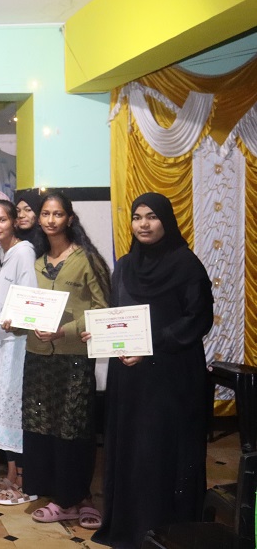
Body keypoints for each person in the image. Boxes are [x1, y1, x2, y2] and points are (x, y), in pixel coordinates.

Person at [91, 194, 214, 548]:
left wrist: (152, 345)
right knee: (133, 449)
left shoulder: (186, 265)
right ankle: (130, 528)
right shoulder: (125, 266)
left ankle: (166, 530)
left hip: (171, 376)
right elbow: (118, 314)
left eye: (152, 217)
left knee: (161, 450)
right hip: (130, 377)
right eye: (137, 217)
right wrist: (104, 333)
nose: (143, 224)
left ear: (166, 221)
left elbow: (198, 318)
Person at [19, 191, 110, 530]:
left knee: (74, 428)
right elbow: (24, 304)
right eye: (45, 214)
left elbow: (103, 309)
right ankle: (62, 497)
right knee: (42, 426)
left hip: (73, 357)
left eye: (57, 214)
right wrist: (15, 320)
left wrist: (64, 330)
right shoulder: (35, 260)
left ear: (69, 218)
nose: (51, 220)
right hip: (37, 356)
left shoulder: (87, 259)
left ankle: (76, 497)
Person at [0, 200, 38, 505]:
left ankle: (25, 479)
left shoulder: (24, 251)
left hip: (16, 343)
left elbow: (27, 298)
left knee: (14, 406)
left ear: (14, 221)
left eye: (2, 219)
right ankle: (11, 473)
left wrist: (10, 322)